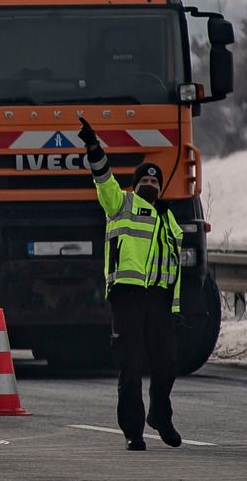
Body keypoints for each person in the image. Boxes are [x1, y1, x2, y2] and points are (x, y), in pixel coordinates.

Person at [77, 116, 183, 452]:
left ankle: (160, 416)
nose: (150, 181)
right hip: (127, 296)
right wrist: (94, 147)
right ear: (135, 184)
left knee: (166, 364)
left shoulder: (169, 219)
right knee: (131, 366)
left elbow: (173, 267)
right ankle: (133, 431)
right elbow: (103, 177)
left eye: (155, 178)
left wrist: (175, 305)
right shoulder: (119, 204)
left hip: (159, 300)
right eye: (145, 178)